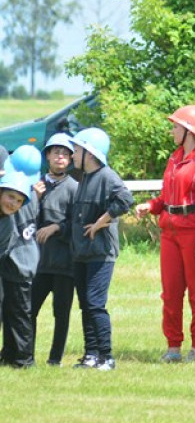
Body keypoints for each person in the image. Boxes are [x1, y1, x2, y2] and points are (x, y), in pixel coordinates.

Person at [135, 105, 195, 363]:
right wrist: (151, 206)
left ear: (189, 131)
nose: (172, 131)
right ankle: (173, 346)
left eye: (176, 127)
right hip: (170, 232)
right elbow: (166, 195)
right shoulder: (174, 157)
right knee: (170, 293)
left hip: (193, 233)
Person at [68, 128, 134, 370]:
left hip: (100, 253)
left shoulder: (107, 176)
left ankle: (107, 357)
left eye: (76, 150)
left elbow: (126, 200)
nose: (73, 154)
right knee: (85, 304)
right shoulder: (84, 177)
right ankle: (91, 354)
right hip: (81, 252)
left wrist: (101, 221)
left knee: (95, 304)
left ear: (90, 152)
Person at [31, 134, 79, 366]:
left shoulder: (75, 188)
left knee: (61, 315)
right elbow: (26, 221)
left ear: (70, 159)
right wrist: (36, 199)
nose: (60, 157)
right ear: (47, 156)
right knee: (28, 311)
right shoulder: (36, 185)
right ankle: (24, 355)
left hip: (64, 264)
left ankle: (54, 359)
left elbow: (77, 224)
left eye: (65, 153)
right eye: (56, 152)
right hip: (38, 263)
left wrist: (56, 228)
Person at [0, 157, 39, 369]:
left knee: (18, 314)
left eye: (18, 201)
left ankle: (23, 359)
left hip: (20, 267)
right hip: (13, 267)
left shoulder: (7, 225)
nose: (13, 204)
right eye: (10, 197)